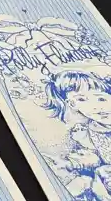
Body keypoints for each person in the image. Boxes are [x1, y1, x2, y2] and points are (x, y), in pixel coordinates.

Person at [44, 70, 111, 199]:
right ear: (72, 104)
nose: (95, 106)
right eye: (82, 99)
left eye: (101, 99)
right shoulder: (87, 132)